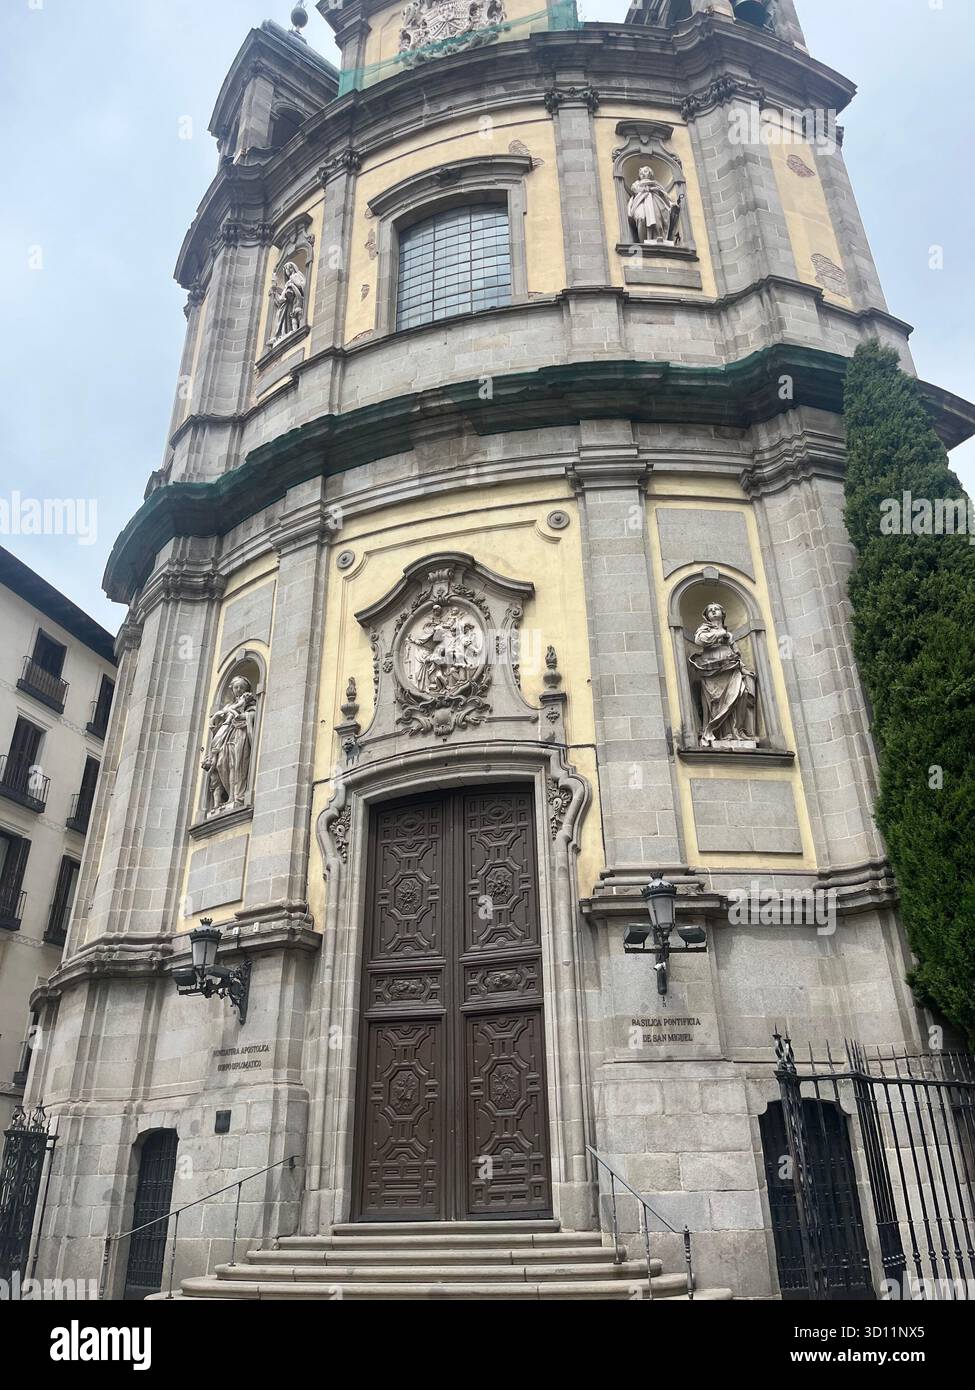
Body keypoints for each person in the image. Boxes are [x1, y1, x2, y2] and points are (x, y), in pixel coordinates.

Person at [688, 603, 757, 745]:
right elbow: (699, 640)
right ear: (707, 616)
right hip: (712, 670)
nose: (713, 611)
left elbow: (736, 654)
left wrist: (743, 669)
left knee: (741, 693)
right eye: (710, 610)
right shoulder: (705, 629)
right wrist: (720, 633)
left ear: (722, 613)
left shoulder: (730, 635)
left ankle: (737, 731)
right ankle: (722, 733)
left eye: (716, 609)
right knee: (717, 701)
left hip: (731, 667)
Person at [203, 676, 257, 814]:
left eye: (241, 687)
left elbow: (253, 714)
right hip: (227, 736)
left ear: (246, 690)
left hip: (240, 733)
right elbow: (217, 721)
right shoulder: (228, 706)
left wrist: (242, 715)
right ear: (232, 689)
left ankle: (235, 797)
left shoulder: (249, 702)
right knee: (221, 763)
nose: (238, 690)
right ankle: (228, 796)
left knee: (236, 764)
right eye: (236, 687)